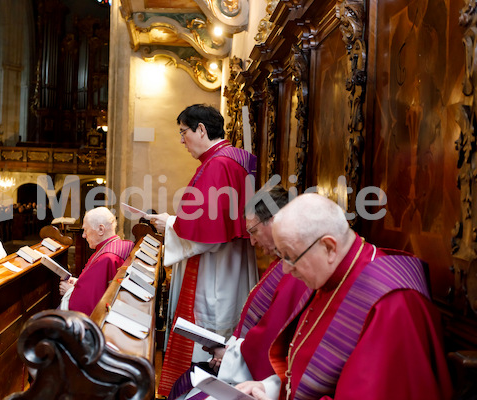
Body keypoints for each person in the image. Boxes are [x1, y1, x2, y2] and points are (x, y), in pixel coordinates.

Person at [237, 193, 452, 400]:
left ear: (329, 247)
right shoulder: (331, 275)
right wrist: (272, 387)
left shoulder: (392, 304)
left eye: (290, 257)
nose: (285, 270)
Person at [148, 104, 258, 395]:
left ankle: (201, 391)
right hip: (232, 263)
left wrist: (169, 224)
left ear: (201, 129)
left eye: (183, 132)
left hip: (216, 268)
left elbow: (208, 235)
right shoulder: (237, 158)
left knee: (209, 328)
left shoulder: (219, 164)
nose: (182, 140)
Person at [169, 185, 312, 400]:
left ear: (274, 221)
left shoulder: (295, 272)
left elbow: (270, 339)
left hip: (260, 381)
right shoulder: (280, 264)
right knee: (185, 383)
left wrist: (228, 357)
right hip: (242, 365)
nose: (252, 241)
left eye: (253, 231)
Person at [59, 207, 134, 315]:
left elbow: (86, 304)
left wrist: (69, 291)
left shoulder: (106, 258)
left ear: (101, 229)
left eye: (85, 230)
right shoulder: (119, 245)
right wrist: (77, 283)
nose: (83, 235)